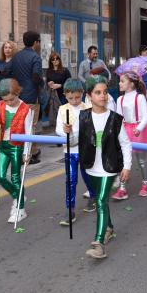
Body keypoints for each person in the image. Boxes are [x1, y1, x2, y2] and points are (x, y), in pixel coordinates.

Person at [78, 76, 132, 259]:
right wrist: (67, 131)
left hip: (109, 167)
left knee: (100, 201)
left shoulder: (116, 119)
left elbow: (125, 143)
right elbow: (74, 141)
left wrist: (127, 167)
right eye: (97, 92)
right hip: (90, 166)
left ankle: (98, 242)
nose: (102, 96)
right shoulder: (83, 116)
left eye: (105, 92)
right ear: (89, 96)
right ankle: (109, 227)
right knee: (102, 202)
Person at [55, 78, 95, 226]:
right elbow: (58, 129)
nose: (74, 100)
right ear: (65, 95)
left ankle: (93, 195)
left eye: (77, 97)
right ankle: (70, 209)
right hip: (69, 151)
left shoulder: (87, 108)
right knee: (70, 180)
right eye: (71, 98)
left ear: (82, 94)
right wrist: (64, 131)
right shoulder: (62, 109)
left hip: (85, 149)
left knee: (87, 176)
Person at [0, 78, 34, 223]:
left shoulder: (26, 109)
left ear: (17, 93)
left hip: (17, 146)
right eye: (6, 100)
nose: (9, 102)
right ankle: (19, 195)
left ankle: (20, 209)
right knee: (0, 176)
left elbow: (29, 132)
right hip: (3, 145)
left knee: (16, 178)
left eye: (12, 99)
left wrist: (26, 152)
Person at [112, 71, 147, 200]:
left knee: (141, 160)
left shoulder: (140, 97)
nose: (119, 83)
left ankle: (146, 184)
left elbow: (146, 116)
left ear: (131, 84)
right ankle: (122, 188)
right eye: (120, 81)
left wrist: (139, 128)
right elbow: (119, 117)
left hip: (138, 131)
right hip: (124, 130)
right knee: (123, 160)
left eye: (122, 81)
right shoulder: (120, 99)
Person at [10, 31, 43, 164]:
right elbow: (36, 76)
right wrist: (43, 83)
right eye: (39, 42)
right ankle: (29, 154)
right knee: (30, 125)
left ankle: (33, 151)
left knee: (21, 125)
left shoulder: (16, 56)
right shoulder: (35, 57)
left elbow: (8, 72)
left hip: (18, 96)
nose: (39, 44)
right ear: (36, 43)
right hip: (31, 96)